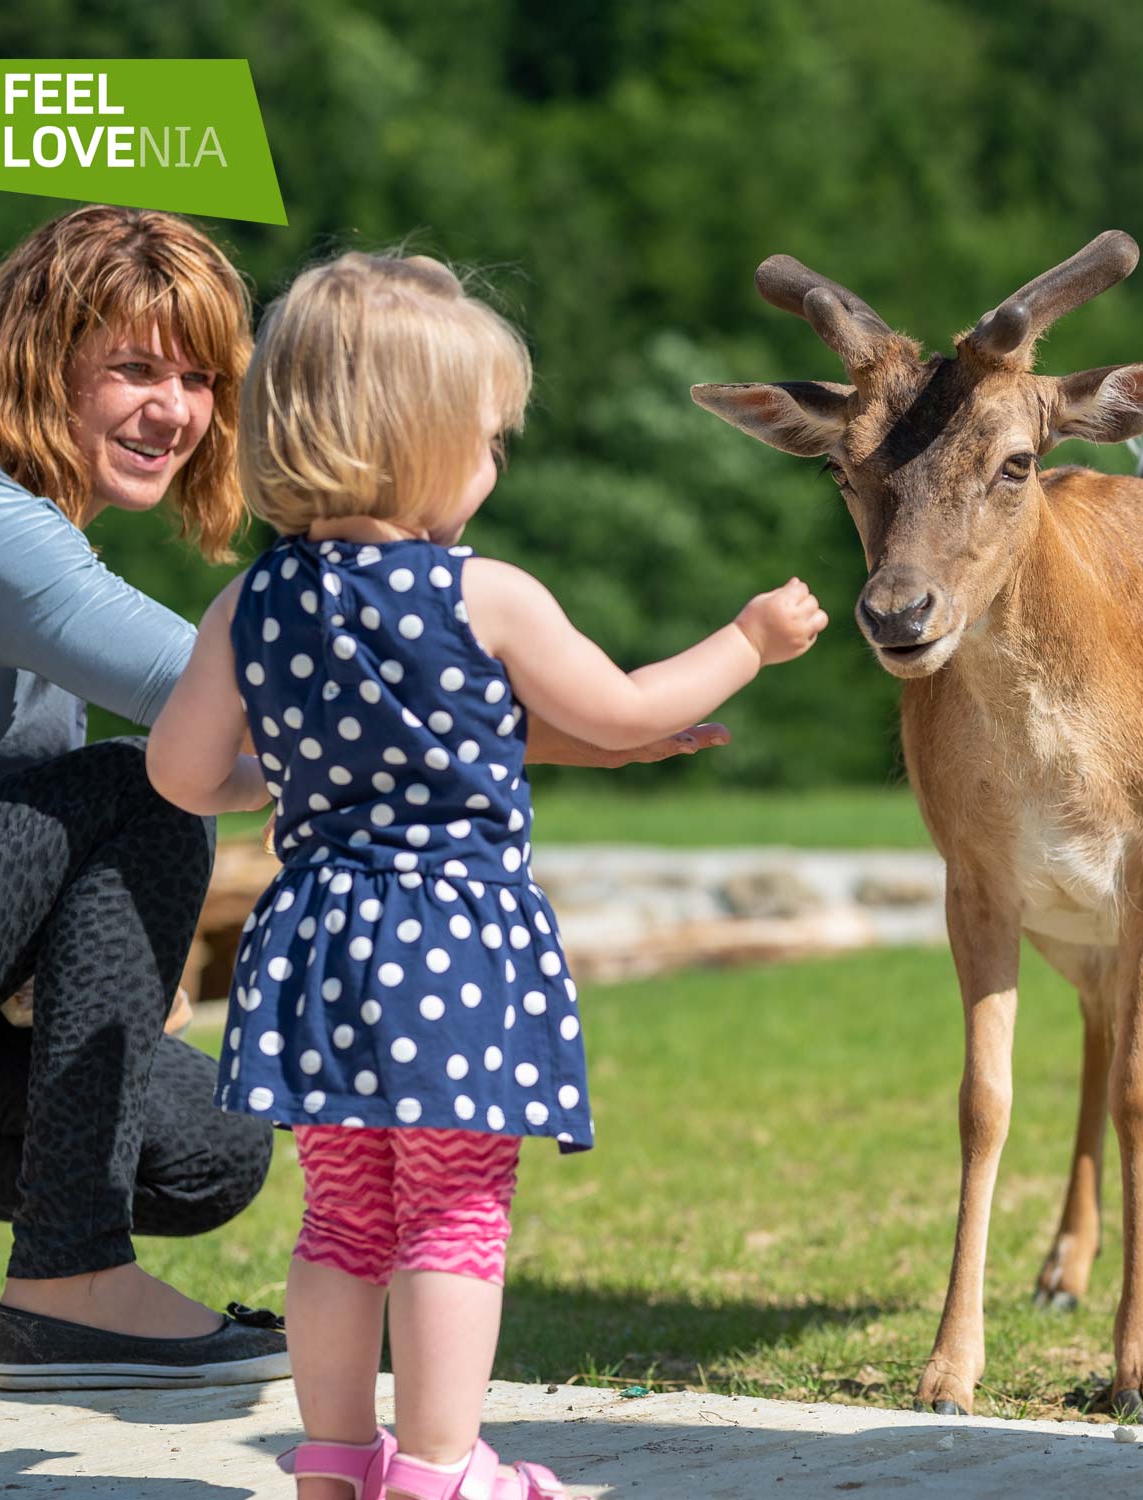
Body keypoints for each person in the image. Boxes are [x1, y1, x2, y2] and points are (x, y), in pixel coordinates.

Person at [0, 208, 722, 1392]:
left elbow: (279, 741)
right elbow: (277, 708)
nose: (172, 410)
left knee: (206, 1148)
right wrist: (586, 728)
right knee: (144, 790)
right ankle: (68, 1285)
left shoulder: (27, 547)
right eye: (132, 369)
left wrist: (110, 959)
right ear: (35, 364)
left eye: (196, 377)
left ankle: (75, 1268)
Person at [145, 251, 827, 1500]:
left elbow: (186, 775)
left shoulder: (251, 605)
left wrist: (280, 785)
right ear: (423, 444)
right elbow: (619, 712)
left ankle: (338, 1463)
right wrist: (748, 641)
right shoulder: (485, 595)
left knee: (341, 1217)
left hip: (318, 947)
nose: (496, 463)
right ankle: (446, 1471)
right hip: (452, 945)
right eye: (490, 439)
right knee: (454, 1215)